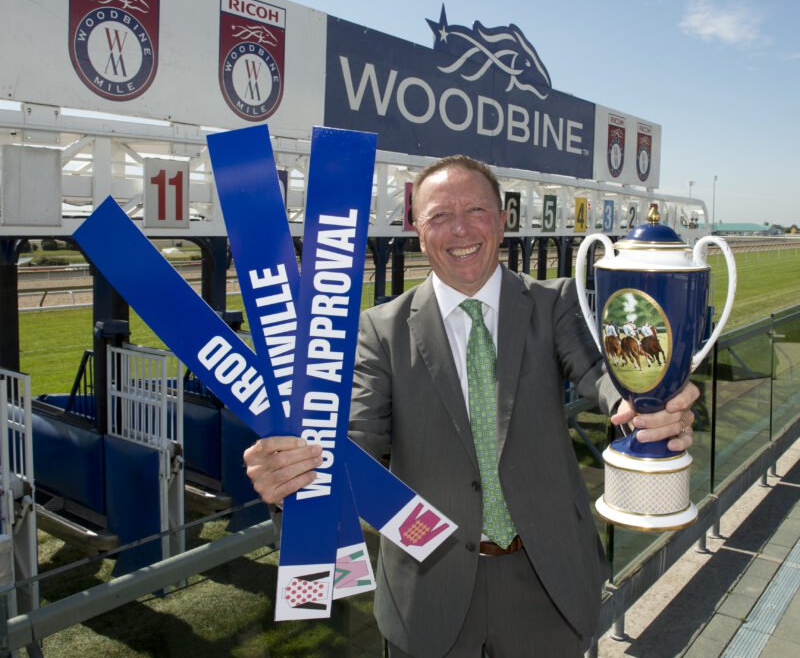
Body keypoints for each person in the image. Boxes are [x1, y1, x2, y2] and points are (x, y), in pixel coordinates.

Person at [244, 156, 698, 658]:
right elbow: (356, 447)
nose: (460, 229)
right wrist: (295, 479)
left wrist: (650, 405)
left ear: (502, 222)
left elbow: (602, 374)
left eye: (476, 211)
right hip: (428, 596)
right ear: (418, 233)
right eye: (439, 216)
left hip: (548, 586)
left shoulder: (555, 303)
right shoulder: (380, 332)